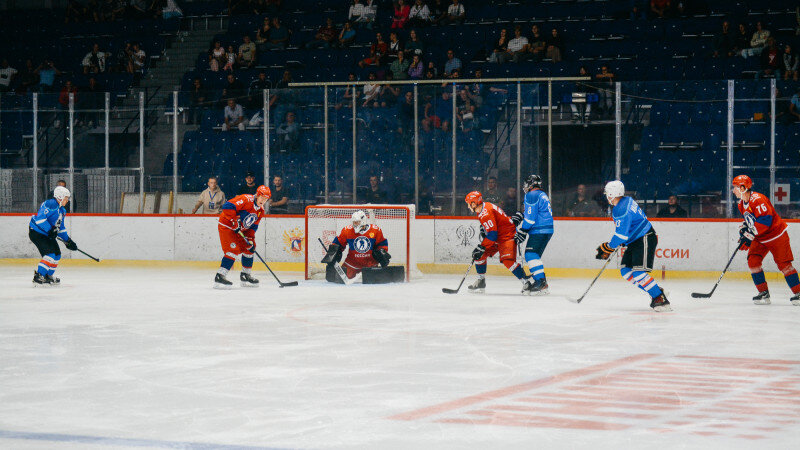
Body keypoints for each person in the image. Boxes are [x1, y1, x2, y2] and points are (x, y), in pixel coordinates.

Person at [595, 180, 671, 312]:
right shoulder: (627, 200)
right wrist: (619, 242)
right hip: (635, 240)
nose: (606, 195)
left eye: (608, 193)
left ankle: (660, 299)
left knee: (639, 274)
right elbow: (630, 226)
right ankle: (655, 290)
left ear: (613, 194)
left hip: (644, 237)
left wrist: (609, 246)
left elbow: (621, 236)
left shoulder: (620, 209)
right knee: (626, 271)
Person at [732, 175, 800, 305]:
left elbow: (765, 221)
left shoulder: (758, 200)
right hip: (761, 238)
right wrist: (744, 230)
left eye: (735, 187)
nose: (733, 190)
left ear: (743, 187)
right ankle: (764, 293)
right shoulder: (741, 204)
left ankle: (799, 293)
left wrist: (750, 235)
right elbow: (751, 220)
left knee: (784, 266)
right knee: (753, 261)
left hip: (777, 236)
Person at [465, 191, 533, 294]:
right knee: (480, 256)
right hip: (498, 236)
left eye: (469, 203)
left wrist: (481, 247)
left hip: (507, 236)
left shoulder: (485, 213)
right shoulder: (484, 207)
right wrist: (484, 229)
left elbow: (492, 235)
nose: (468, 206)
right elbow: (495, 224)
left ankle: (526, 283)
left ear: (474, 203)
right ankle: (481, 282)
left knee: (507, 261)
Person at [214, 185, 271, 288]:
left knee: (250, 248)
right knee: (233, 250)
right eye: (262, 198)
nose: (263, 200)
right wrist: (234, 221)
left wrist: (250, 239)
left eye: (266, 199)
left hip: (240, 230)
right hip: (227, 226)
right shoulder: (246, 199)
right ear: (257, 195)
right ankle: (220, 276)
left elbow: (253, 227)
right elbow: (227, 206)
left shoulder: (260, 211)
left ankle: (245, 275)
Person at [320, 210, 394, 281]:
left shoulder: (375, 230)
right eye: (354, 222)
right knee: (339, 279)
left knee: (372, 283)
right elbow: (338, 243)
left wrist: (382, 252)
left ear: (363, 221)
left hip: (370, 264)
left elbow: (382, 244)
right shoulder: (347, 230)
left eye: (357, 222)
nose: (355, 224)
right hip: (351, 263)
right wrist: (333, 254)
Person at [512, 175, 554, 295]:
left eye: (526, 184)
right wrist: (521, 215)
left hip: (539, 230)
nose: (524, 187)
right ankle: (542, 283)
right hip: (546, 229)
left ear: (531, 184)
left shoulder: (531, 194)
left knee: (530, 255)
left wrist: (522, 231)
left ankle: (540, 282)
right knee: (534, 256)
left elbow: (530, 218)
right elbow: (531, 213)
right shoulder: (541, 194)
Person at [28, 186, 78, 286]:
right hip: (37, 232)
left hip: (47, 234)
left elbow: (61, 227)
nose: (67, 200)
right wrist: (50, 230)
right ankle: (38, 276)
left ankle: (47, 276)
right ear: (60, 197)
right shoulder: (50, 203)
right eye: (66, 198)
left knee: (57, 254)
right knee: (50, 255)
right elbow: (40, 219)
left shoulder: (62, 210)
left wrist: (68, 241)